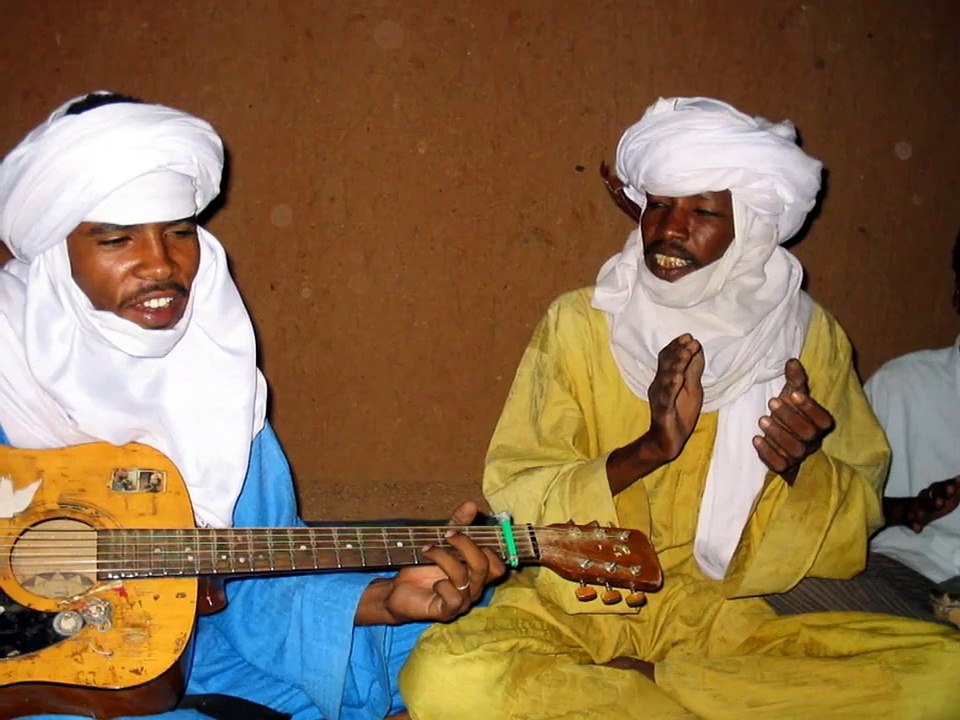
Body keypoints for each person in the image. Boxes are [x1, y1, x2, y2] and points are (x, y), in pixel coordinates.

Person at [399, 97, 960, 719]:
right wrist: (647, 453)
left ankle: (643, 688)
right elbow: (516, 495)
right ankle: (684, 696)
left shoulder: (807, 338)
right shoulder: (579, 324)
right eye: (660, 204)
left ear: (749, 226)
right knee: (444, 676)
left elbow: (850, 528)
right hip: (577, 607)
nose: (669, 229)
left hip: (720, 617)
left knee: (946, 674)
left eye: (703, 211)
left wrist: (796, 469)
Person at [0, 91, 505, 720]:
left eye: (180, 232)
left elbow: (263, 583)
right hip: (54, 674)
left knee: (475, 630)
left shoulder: (218, 381)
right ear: (54, 252)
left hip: (214, 651)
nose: (162, 266)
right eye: (118, 239)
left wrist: (384, 599)